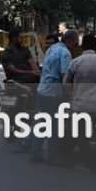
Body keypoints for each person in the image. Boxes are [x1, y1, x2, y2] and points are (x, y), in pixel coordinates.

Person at [62, 34, 96, 171]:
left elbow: (66, 82)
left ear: (82, 46)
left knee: (82, 134)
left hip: (80, 104)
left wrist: (72, 95)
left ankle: (85, 163)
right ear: (95, 46)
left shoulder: (76, 62)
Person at [30, 30, 78, 163]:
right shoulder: (65, 53)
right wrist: (71, 94)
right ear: (70, 41)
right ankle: (53, 157)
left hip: (43, 89)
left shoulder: (52, 48)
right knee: (54, 126)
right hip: (53, 93)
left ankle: (35, 152)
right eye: (75, 42)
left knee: (42, 122)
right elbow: (65, 76)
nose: (76, 45)